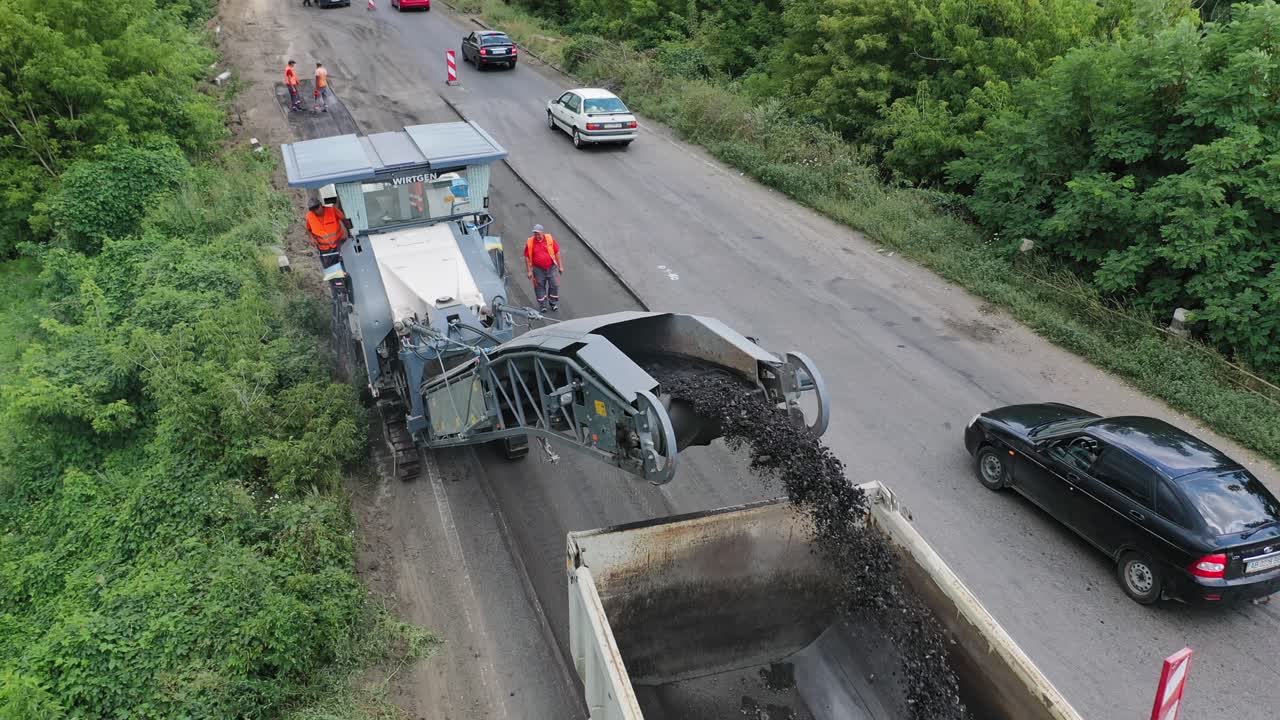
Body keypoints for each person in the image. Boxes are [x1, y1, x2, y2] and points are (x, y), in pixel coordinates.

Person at [523, 224, 563, 312]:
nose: (537, 236)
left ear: (542, 233)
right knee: (539, 286)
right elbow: (526, 257)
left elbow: (557, 252)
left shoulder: (549, 240)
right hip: (538, 270)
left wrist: (560, 266)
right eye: (535, 234)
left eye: (538, 234)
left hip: (551, 267)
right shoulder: (530, 242)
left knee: (554, 285)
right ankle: (543, 305)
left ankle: (552, 303)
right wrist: (529, 271)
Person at [304, 196, 349, 268]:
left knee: (346, 262)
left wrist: (350, 233)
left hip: (340, 243)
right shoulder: (309, 217)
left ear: (321, 205)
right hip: (325, 249)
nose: (316, 211)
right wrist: (311, 238)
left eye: (317, 207)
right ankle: (337, 278)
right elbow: (308, 229)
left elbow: (344, 220)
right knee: (332, 268)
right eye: (313, 210)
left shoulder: (332, 210)